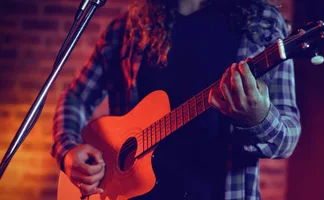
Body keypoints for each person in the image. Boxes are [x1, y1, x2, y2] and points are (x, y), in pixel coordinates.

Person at [50, 0, 301, 199]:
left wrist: (258, 118)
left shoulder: (262, 24)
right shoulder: (127, 28)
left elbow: (287, 139)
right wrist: (68, 151)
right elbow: (76, 98)